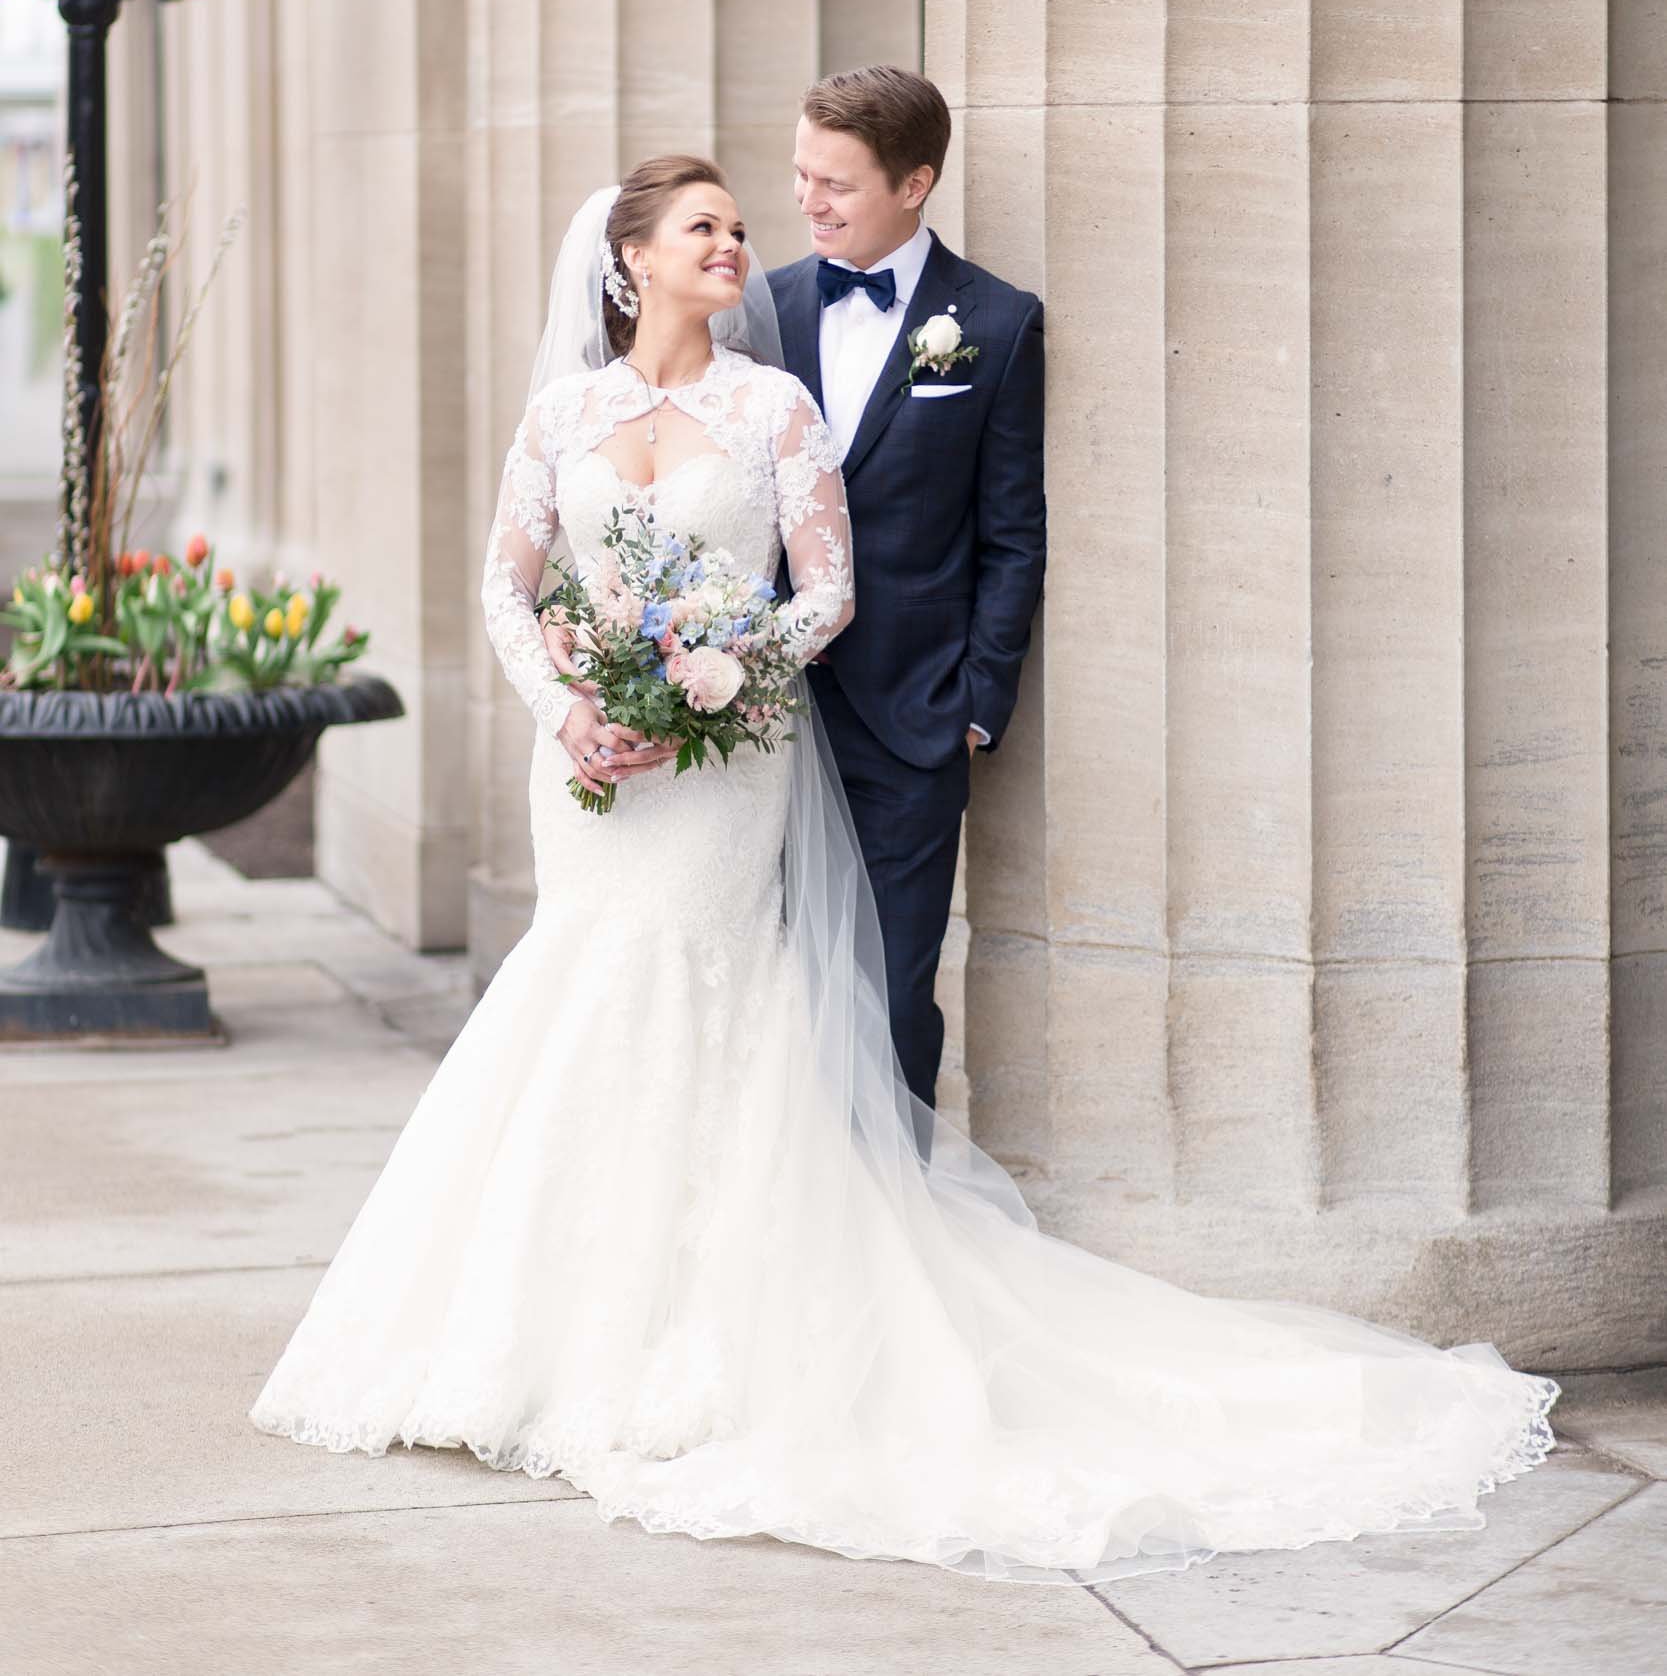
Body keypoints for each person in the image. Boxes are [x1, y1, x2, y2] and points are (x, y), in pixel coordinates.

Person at [248, 154, 1558, 1584]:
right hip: (588, 771)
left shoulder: (773, 409)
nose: (737, 243)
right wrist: (567, 703)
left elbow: (827, 591)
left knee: (705, 996)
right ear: (628, 256)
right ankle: (538, 1336)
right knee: (581, 986)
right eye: (705, 227)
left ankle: (714, 1341)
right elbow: (510, 582)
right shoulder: (562, 411)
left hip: (725, 759)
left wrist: (717, 670)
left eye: (742, 226)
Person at [768, 66, 1044, 1107]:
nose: (807, 201)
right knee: (769, 987)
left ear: (914, 182)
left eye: (834, 182)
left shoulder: (996, 323)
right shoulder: (764, 306)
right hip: (756, 716)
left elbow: (1012, 532)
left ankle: (892, 1227)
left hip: (914, 717)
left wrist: (978, 702)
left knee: (890, 996)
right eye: (801, 174)